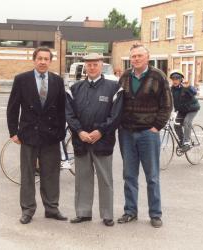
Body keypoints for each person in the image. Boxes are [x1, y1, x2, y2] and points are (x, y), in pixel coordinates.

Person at [7, 47, 67, 224]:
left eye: (46, 59)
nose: (42, 62)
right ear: (34, 60)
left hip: (51, 136)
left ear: (50, 61)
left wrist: (61, 133)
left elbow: (62, 109)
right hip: (28, 135)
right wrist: (13, 133)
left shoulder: (57, 81)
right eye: (39, 58)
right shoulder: (21, 80)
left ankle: (51, 208)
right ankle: (27, 209)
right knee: (27, 174)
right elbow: (13, 108)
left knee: (51, 173)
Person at [117, 44, 173, 228]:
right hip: (126, 133)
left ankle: (155, 214)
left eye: (140, 56)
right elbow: (118, 102)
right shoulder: (125, 76)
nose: (136, 59)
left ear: (147, 58)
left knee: (152, 176)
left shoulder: (158, 76)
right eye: (133, 56)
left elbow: (167, 104)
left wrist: (157, 126)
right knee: (129, 175)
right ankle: (130, 211)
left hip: (148, 134)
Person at [66, 53, 123, 227]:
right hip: (81, 141)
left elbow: (116, 115)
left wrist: (100, 131)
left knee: (105, 179)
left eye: (95, 64)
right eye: (88, 65)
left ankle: (107, 215)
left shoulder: (114, 87)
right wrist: (80, 131)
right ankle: (83, 213)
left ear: (101, 65)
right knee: (82, 178)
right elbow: (69, 114)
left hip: (103, 141)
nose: (91, 67)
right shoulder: (75, 88)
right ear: (85, 67)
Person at [170, 69, 200, 152]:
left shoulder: (185, 86)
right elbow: (168, 100)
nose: (175, 80)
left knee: (187, 121)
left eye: (177, 78)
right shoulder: (172, 89)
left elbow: (194, 92)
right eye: (173, 79)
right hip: (182, 110)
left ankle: (187, 142)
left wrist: (189, 87)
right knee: (176, 125)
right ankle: (182, 140)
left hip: (192, 109)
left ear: (181, 79)